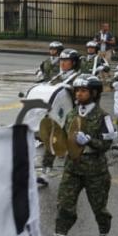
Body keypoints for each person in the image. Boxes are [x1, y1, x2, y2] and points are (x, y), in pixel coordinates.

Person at [47, 74, 115, 236]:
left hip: (95, 170)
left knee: (99, 209)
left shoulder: (103, 117)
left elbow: (107, 144)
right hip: (72, 168)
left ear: (94, 93)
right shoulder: (71, 114)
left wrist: (90, 141)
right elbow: (63, 139)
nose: (79, 94)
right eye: (77, 90)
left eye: (83, 91)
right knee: (64, 206)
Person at [37, 49, 82, 187]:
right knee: (51, 142)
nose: (62, 63)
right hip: (58, 116)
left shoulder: (78, 77)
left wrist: (70, 89)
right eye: (61, 60)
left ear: (73, 63)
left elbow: (84, 95)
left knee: (74, 146)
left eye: (66, 61)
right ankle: (45, 173)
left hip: (74, 116)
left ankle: (76, 175)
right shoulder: (57, 77)